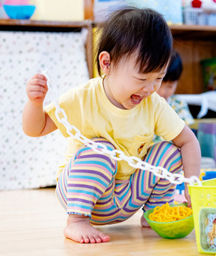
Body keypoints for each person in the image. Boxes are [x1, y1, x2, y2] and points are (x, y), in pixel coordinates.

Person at [22, 8, 201, 244]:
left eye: (159, 78)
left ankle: (155, 213)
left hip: (128, 196)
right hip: (83, 193)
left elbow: (188, 141)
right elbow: (36, 129)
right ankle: (76, 222)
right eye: (141, 78)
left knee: (169, 151)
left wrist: (192, 185)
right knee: (101, 148)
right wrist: (35, 103)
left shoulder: (154, 104)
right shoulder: (84, 97)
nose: (150, 88)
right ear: (106, 63)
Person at [156, 51, 194, 126]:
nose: (163, 92)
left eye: (170, 86)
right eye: (159, 85)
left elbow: (186, 131)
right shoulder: (142, 103)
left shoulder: (178, 104)